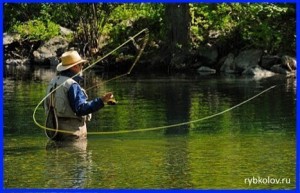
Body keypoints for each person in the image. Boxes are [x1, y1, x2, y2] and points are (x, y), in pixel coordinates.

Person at [44, 50, 113, 141]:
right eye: (81, 65)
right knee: (76, 154)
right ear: (75, 66)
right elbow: (81, 109)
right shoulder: (72, 85)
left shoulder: (53, 82)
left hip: (54, 131)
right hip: (72, 133)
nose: (82, 67)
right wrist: (101, 101)